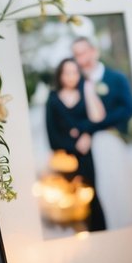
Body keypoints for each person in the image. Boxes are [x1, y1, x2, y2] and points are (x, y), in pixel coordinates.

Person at [70, 35, 132, 231]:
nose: (82, 58)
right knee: (100, 191)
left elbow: (127, 110)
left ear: (94, 51)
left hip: (115, 141)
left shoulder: (116, 78)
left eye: (84, 52)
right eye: (77, 55)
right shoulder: (78, 84)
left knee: (121, 187)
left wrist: (91, 128)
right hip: (88, 152)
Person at [44, 57, 107, 231]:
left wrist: (88, 89)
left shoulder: (84, 94)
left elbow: (97, 119)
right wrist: (74, 144)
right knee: (69, 200)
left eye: (75, 72)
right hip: (65, 159)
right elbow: (52, 135)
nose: (71, 76)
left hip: (86, 156)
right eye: (67, 72)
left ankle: (99, 232)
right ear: (60, 75)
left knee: (91, 194)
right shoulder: (53, 99)